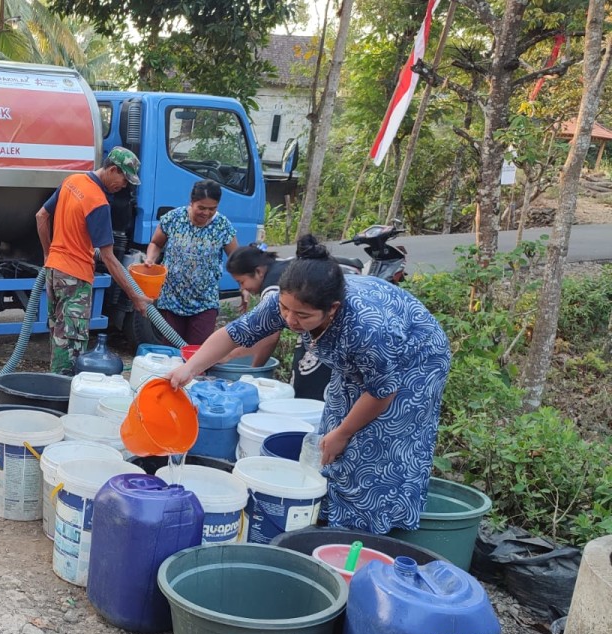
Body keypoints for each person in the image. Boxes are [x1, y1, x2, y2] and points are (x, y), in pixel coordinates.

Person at [169, 235, 452, 534]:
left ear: (332, 309)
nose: (290, 320)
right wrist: (190, 368)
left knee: (376, 443)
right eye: (285, 309)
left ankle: (371, 528)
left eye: (302, 316)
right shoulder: (292, 299)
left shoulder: (367, 328)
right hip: (366, 360)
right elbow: (235, 333)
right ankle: (330, 510)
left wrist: (344, 433)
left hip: (415, 362)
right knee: (329, 435)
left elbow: (382, 392)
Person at [36, 147, 152, 374]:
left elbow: (41, 216)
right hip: (76, 279)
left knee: (59, 337)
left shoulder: (72, 180)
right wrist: (135, 296)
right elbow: (109, 258)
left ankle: (54, 386)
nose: (124, 186)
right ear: (112, 169)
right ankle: (63, 395)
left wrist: (48, 254)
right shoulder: (98, 202)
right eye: (124, 179)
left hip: (54, 273)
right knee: (71, 346)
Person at [227, 244, 332, 400]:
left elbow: (269, 337)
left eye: (241, 282)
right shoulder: (282, 265)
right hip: (320, 326)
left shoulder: (273, 287)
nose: (243, 288)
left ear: (258, 272)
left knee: (310, 390)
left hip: (328, 331)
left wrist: (253, 373)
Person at [142, 180, 238, 345]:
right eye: (201, 207)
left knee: (197, 354)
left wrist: (243, 284)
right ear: (191, 202)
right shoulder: (174, 219)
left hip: (205, 301)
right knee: (171, 353)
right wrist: (151, 258)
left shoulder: (222, 225)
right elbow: (156, 243)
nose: (206, 213)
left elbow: (236, 258)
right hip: (171, 298)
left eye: (212, 209)